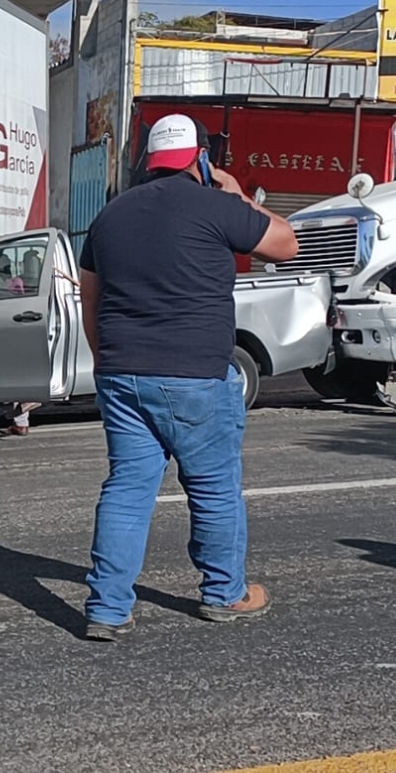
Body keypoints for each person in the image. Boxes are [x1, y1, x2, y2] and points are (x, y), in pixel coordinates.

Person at [78, 113, 299, 642]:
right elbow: (286, 244)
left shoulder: (110, 215)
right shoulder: (218, 206)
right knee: (215, 488)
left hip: (122, 373)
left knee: (127, 490)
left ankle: (107, 608)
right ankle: (225, 592)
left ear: (150, 162)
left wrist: (109, 360)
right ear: (200, 157)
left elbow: (91, 295)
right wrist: (239, 193)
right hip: (196, 374)